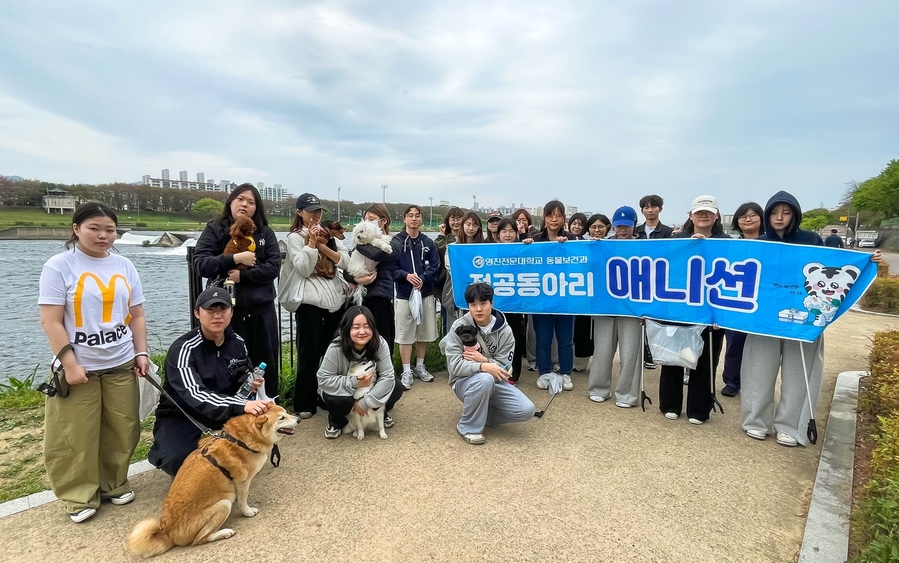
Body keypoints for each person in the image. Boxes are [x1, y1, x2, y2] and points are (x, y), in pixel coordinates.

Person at [741, 191, 880, 447]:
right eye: (773, 212)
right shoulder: (759, 243)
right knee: (757, 370)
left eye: (785, 212)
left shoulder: (811, 240)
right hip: (763, 319)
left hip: (805, 319)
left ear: (794, 214)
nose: (779, 218)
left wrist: (868, 260)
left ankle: (791, 426)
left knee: (799, 373)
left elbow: (837, 269)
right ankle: (756, 421)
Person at [38, 202, 148, 522]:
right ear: (76, 229)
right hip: (79, 365)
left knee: (123, 427)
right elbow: (51, 321)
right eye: (94, 228)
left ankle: (114, 482)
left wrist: (141, 352)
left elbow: (137, 315)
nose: (103, 235)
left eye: (110, 229)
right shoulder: (58, 266)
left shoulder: (124, 265)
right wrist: (70, 364)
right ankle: (79, 494)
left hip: (121, 359)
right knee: (75, 434)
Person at [148, 287, 273, 477]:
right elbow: (194, 394)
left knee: (256, 441)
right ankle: (163, 447)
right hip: (184, 414)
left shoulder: (238, 342)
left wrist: (249, 383)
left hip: (224, 409)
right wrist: (242, 405)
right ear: (197, 313)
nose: (217, 316)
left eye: (222, 309)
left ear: (231, 312)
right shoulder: (183, 349)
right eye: (210, 310)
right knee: (176, 460)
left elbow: (240, 374)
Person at [193, 183, 281, 397]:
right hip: (224, 312)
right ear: (231, 201)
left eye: (251, 202)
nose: (245, 204)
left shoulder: (264, 233)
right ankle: (228, 407)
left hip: (261, 310)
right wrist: (234, 259)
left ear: (257, 208)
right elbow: (201, 263)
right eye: (240, 199)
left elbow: (273, 266)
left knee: (265, 362)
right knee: (226, 363)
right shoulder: (215, 228)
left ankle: (269, 406)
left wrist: (243, 275)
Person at [657, 196, 728, 425]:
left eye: (708, 212)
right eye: (699, 212)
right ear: (690, 215)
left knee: (707, 360)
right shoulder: (678, 239)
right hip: (679, 308)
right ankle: (670, 404)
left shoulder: (727, 242)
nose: (703, 216)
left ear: (716, 215)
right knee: (673, 356)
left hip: (712, 312)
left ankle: (699, 408)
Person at [439, 282, 535, 445]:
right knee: (485, 379)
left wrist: (485, 361)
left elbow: (504, 369)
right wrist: (483, 367)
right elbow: (454, 367)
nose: (478, 309)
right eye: (473, 304)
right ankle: (468, 427)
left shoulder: (505, 331)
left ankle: (481, 414)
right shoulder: (459, 326)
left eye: (483, 303)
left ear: (491, 303)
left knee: (527, 410)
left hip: (495, 380)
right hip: (463, 381)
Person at [282, 193, 350, 419]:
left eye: (319, 211)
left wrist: (324, 246)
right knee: (308, 352)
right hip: (309, 303)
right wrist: (312, 244)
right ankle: (304, 401)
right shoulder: (294, 238)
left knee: (333, 352)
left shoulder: (331, 235)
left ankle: (328, 395)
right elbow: (302, 268)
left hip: (335, 300)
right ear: (300, 212)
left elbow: (346, 262)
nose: (316, 215)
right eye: (311, 211)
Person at [587, 206, 645, 407]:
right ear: (613, 226)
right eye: (619, 226)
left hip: (633, 308)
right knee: (602, 350)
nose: (622, 230)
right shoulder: (602, 245)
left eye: (626, 226)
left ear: (634, 225)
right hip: (605, 307)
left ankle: (627, 394)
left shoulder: (646, 246)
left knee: (631, 354)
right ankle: (598, 388)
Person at [317, 306, 402, 439]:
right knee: (338, 401)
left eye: (367, 326)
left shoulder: (380, 344)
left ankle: (380, 412)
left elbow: (388, 376)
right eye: (356, 327)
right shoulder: (336, 347)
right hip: (347, 391)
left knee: (396, 386)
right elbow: (323, 378)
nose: (362, 331)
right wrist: (355, 382)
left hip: (370, 389)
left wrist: (365, 403)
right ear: (347, 328)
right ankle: (336, 422)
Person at [523, 200, 575, 391]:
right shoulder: (535, 239)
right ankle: (544, 372)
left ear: (563, 218)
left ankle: (566, 373)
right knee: (543, 338)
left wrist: (567, 246)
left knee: (565, 339)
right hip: (541, 300)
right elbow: (524, 263)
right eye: (550, 215)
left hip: (565, 300)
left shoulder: (571, 240)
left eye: (558, 215)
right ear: (544, 218)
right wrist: (526, 245)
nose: (554, 219)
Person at [393, 204, 441, 389]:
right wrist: (405, 275)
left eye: (417, 216)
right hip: (405, 294)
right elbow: (391, 268)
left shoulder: (428, 242)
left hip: (425, 293)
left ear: (421, 219)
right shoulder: (396, 242)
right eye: (410, 215)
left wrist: (422, 278)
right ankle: (406, 370)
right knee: (405, 333)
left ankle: (420, 365)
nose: (414, 219)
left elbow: (434, 267)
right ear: (404, 219)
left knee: (424, 331)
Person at [720, 202, 765, 397]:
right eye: (743, 216)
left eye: (753, 215)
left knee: (760, 348)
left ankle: (756, 384)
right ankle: (732, 381)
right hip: (735, 302)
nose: (748, 219)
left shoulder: (771, 245)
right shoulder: (730, 245)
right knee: (734, 344)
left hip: (763, 302)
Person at [348, 204, 397, 352]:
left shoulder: (394, 241)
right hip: (362, 298)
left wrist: (359, 242)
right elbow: (347, 271)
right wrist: (357, 280)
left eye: (372, 219)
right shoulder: (361, 242)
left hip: (380, 296)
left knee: (383, 338)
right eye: (365, 219)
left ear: (383, 221)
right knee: (361, 340)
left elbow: (378, 254)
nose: (367, 222)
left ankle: (385, 372)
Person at [494, 218, 527, 383]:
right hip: (496, 304)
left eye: (511, 231)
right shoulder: (491, 250)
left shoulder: (522, 249)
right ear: (498, 234)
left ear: (516, 233)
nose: (507, 234)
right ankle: (495, 371)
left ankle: (513, 374)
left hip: (515, 304)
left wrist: (526, 240)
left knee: (515, 338)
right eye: (504, 231)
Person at [435, 207, 464, 333]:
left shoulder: (467, 238)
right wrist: (441, 235)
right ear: (448, 221)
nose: (456, 222)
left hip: (464, 285)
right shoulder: (444, 238)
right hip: (446, 285)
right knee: (448, 318)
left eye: (459, 218)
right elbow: (436, 251)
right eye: (453, 219)